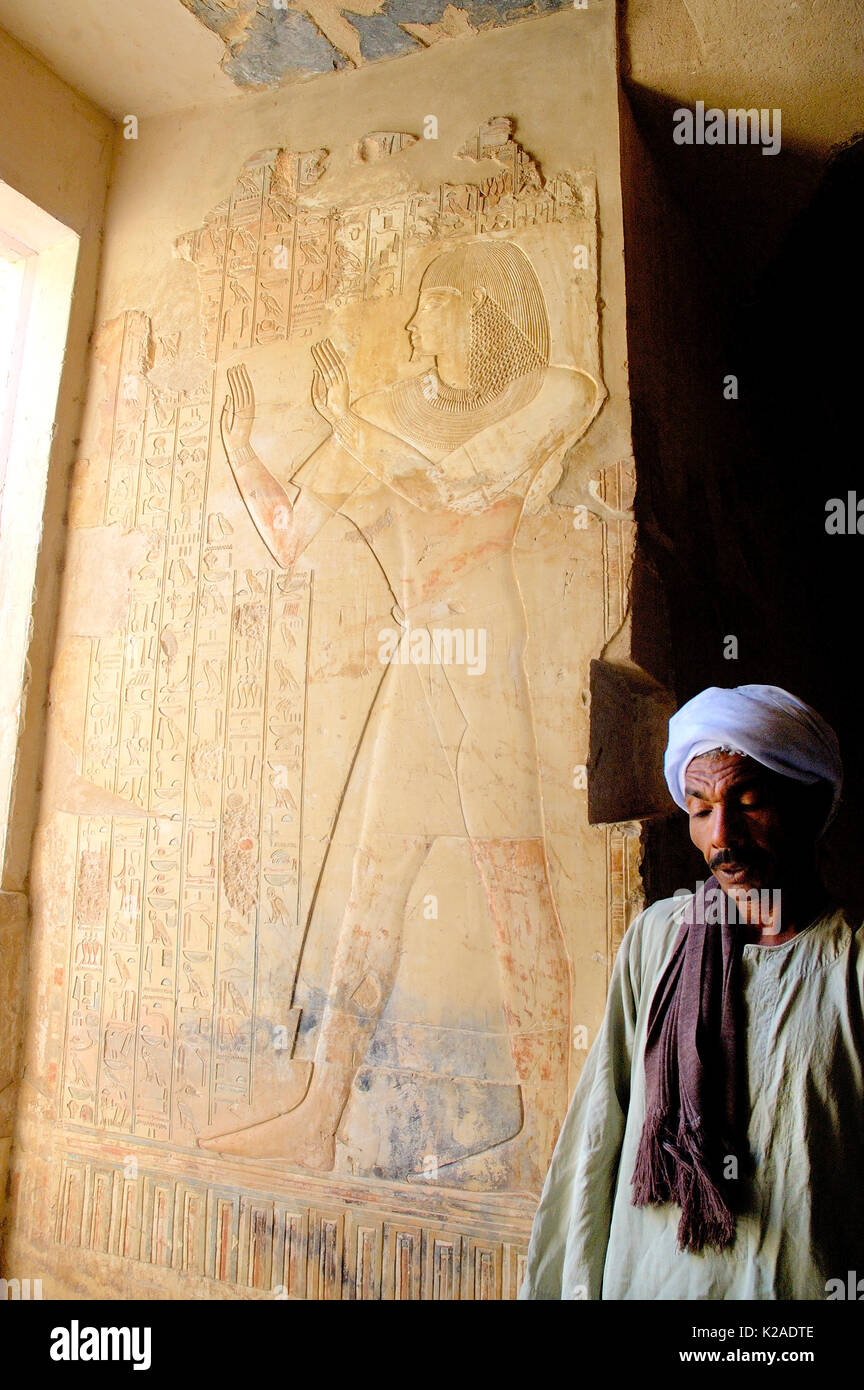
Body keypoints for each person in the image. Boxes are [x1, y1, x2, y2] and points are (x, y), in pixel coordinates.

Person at [200, 238, 601, 1188]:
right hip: (423, 657)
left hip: (484, 654)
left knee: (515, 887)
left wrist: (362, 426)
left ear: (482, 315)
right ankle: (320, 1115)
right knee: (374, 890)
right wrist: (241, 453)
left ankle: (553, 1134)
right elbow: (291, 533)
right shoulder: (386, 414)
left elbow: (476, 472)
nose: (417, 329)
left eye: (435, 307)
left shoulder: (553, 390)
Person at [519, 683, 864, 1299]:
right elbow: (600, 1129)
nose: (722, 838)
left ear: (812, 808)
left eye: (750, 802)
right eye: (701, 810)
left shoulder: (851, 966)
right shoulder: (659, 939)